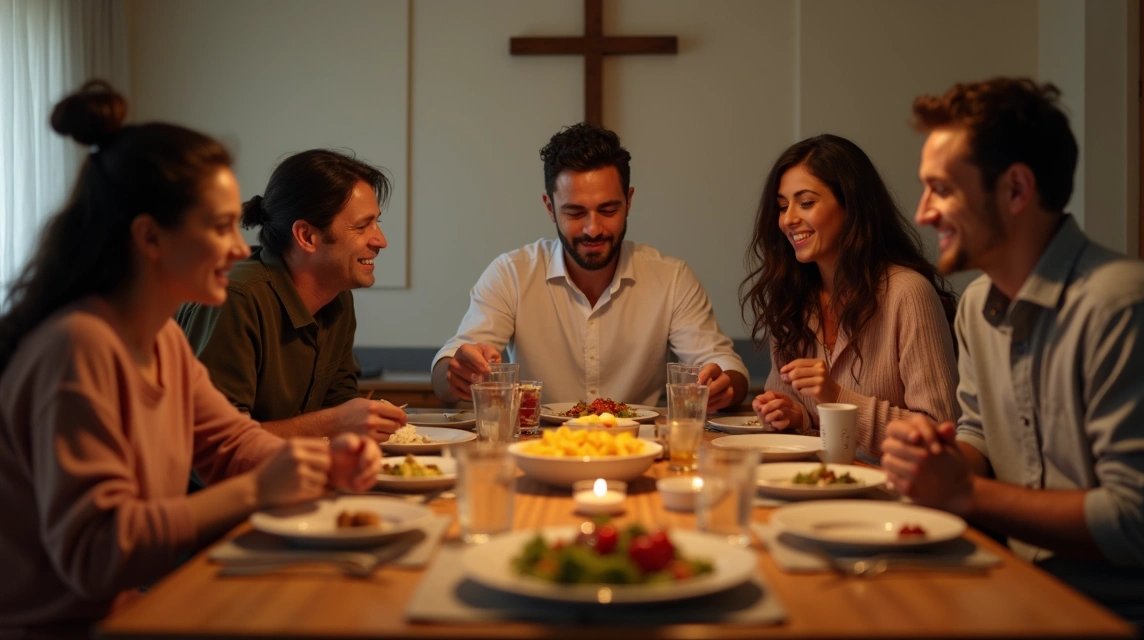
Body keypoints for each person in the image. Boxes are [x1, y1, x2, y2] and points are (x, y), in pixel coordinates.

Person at [0, 80, 380, 636]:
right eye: (220, 226)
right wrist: (258, 488)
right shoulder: (78, 347)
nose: (237, 247)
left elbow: (229, 441)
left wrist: (323, 463)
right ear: (150, 237)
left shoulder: (162, 340)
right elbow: (95, 553)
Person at [882, 77, 1144, 640]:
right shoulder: (978, 305)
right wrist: (940, 459)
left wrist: (964, 492)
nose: (924, 212)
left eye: (941, 189)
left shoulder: (1125, 308)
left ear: (1016, 190)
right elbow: (981, 437)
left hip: (1141, 621)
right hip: (1026, 595)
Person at [432, 122, 748, 410]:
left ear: (629, 201)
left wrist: (723, 384)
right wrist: (455, 374)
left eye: (608, 209)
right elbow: (447, 369)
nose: (593, 229)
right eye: (575, 213)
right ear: (550, 208)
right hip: (539, 448)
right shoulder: (511, 273)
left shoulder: (672, 279)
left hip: (638, 447)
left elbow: (725, 365)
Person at [740, 134, 959, 460]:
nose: (788, 219)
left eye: (806, 203)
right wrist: (794, 415)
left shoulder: (908, 293)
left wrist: (837, 398)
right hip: (814, 484)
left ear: (851, 206)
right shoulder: (792, 300)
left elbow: (940, 435)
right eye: (783, 206)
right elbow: (796, 412)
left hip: (892, 497)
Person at [176, 149, 406, 442]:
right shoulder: (237, 298)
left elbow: (339, 407)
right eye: (362, 226)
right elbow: (210, 445)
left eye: (377, 223)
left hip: (294, 482)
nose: (380, 241)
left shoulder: (336, 296)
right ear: (307, 237)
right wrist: (333, 424)